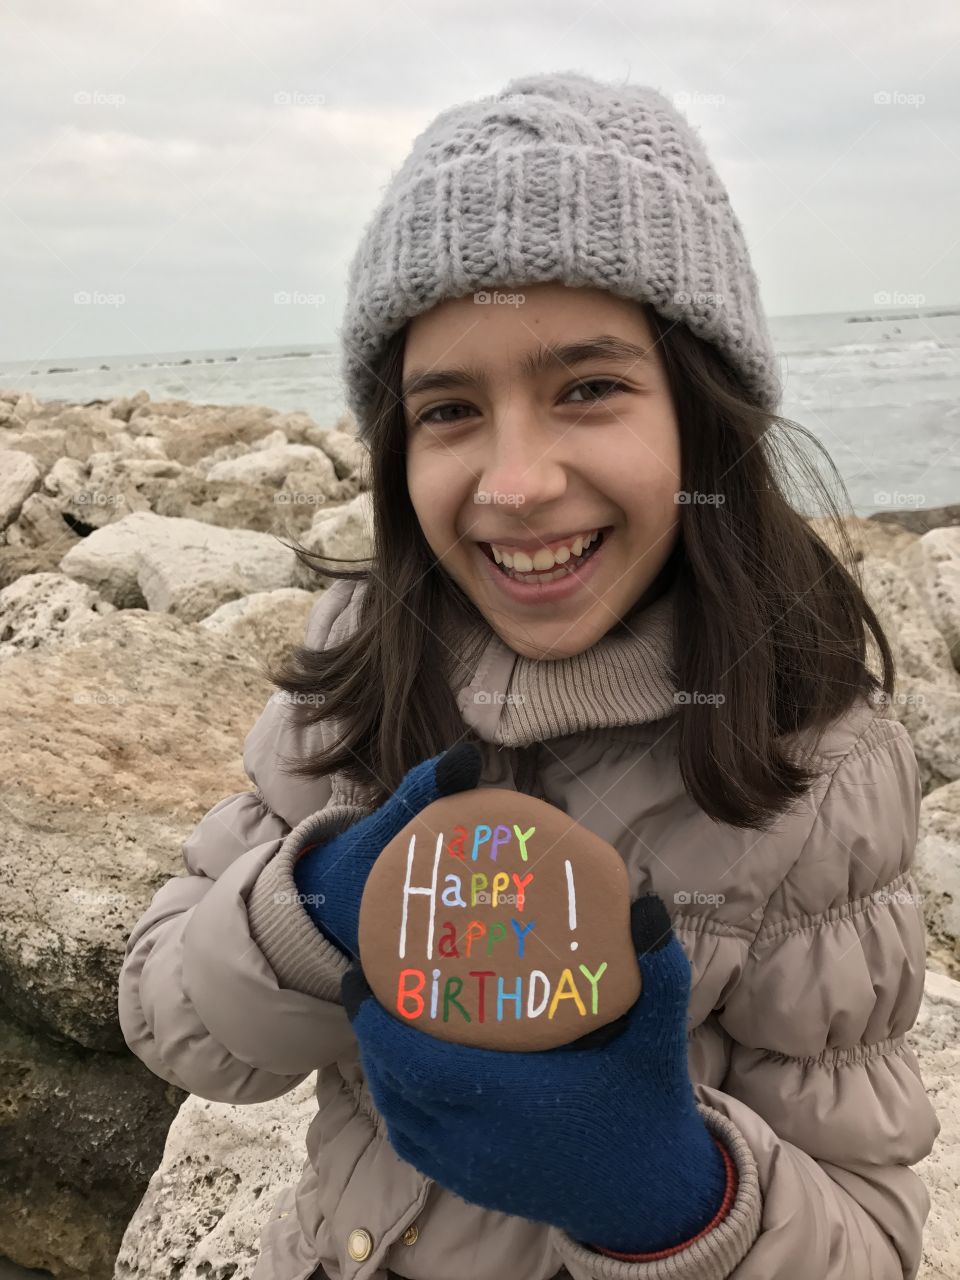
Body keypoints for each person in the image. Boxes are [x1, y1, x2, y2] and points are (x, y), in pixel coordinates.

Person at [117, 71, 940, 1280]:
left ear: (704, 415)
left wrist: (672, 1191)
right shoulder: (362, 670)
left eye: (589, 387)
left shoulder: (812, 763)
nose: (513, 482)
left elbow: (872, 1237)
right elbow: (173, 1022)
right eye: (450, 408)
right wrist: (311, 906)